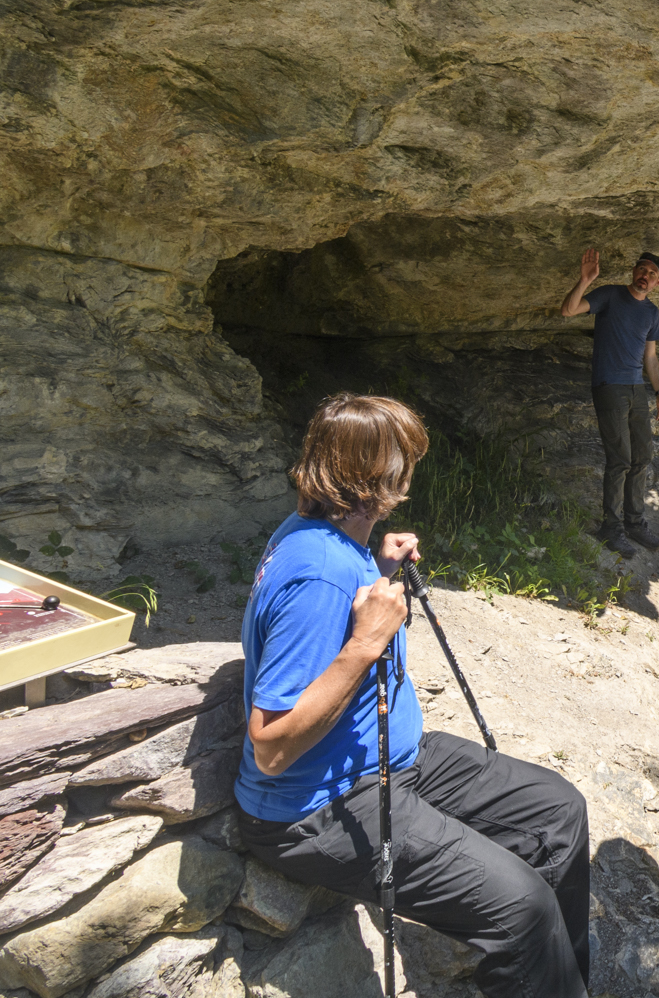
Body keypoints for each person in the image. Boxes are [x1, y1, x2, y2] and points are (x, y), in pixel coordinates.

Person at [235, 394, 592, 998]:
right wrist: (366, 644)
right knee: (521, 908)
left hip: (398, 762)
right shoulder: (315, 573)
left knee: (558, 809)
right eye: (405, 465)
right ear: (383, 480)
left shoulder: (325, 537)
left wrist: (373, 562)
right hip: (317, 806)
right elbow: (269, 746)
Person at [560, 247, 659, 557]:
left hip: (636, 388)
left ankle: (634, 523)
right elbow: (567, 311)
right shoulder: (610, 295)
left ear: (658, 283)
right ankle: (611, 529)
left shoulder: (651, 312)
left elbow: (651, 357)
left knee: (643, 455)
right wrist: (585, 280)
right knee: (620, 459)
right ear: (633, 270)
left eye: (651, 274)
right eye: (641, 269)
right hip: (609, 386)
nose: (644, 276)